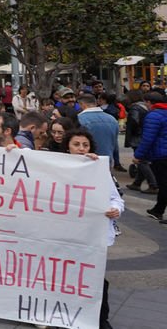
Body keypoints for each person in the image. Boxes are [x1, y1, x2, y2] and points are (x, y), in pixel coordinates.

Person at [64, 129, 122, 329]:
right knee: (67, 276)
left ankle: (100, 319)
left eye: (85, 145)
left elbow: (116, 198)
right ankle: (65, 315)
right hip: (65, 235)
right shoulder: (56, 168)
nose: (81, 149)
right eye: (76, 144)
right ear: (67, 148)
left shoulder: (99, 170)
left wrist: (115, 209)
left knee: (96, 277)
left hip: (91, 235)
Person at [133, 89, 167, 223]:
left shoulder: (153, 116)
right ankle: (157, 210)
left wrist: (138, 155)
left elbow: (148, 139)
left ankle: (158, 211)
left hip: (161, 155)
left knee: (164, 184)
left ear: (149, 102)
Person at [126, 92, 159, 193]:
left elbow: (134, 120)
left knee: (141, 161)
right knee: (142, 161)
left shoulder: (135, 107)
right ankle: (137, 183)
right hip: (143, 136)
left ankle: (153, 185)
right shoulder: (147, 108)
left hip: (138, 137)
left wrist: (135, 131)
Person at [77, 94, 119, 167]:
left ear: (82, 104)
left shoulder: (79, 119)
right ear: (95, 103)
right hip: (107, 161)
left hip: (87, 161)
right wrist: (116, 161)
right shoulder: (112, 119)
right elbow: (115, 144)